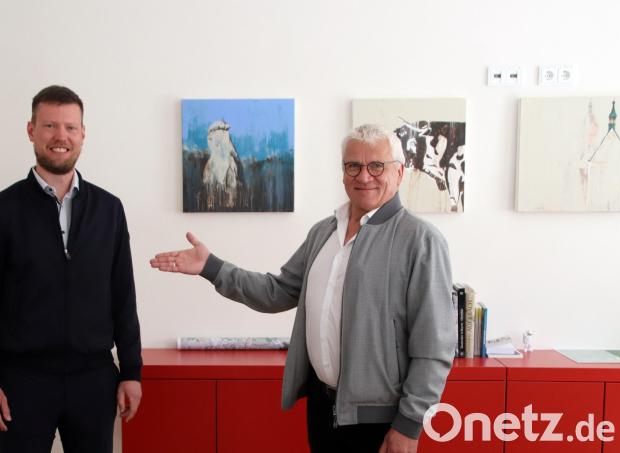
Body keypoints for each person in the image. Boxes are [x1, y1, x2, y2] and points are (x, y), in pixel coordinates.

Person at [150, 124, 455, 453]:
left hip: (381, 423)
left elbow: (434, 348)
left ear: (399, 172)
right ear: (343, 172)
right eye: (353, 165)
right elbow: (277, 291)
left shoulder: (421, 241)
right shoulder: (323, 233)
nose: (364, 176)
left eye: (376, 166)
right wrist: (212, 267)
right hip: (323, 410)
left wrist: (409, 425)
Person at [0, 85, 142, 453]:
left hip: (94, 381)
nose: (60, 136)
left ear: (83, 134)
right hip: (21, 383)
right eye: (49, 126)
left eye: (70, 127)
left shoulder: (110, 209)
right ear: (31, 131)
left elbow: (123, 298)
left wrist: (131, 372)